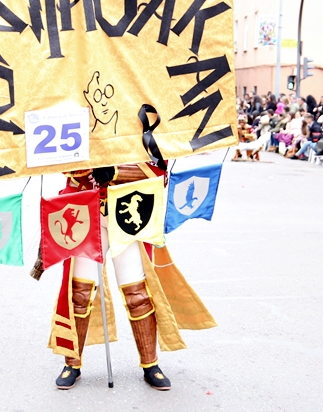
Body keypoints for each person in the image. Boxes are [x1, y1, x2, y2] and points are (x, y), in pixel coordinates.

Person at [43, 162, 215, 391]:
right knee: (80, 294)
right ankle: (72, 363)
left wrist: (116, 172)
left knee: (137, 295)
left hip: (128, 215)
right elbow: (62, 159)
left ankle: (150, 364)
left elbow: (159, 170)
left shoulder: (143, 125)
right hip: (86, 211)